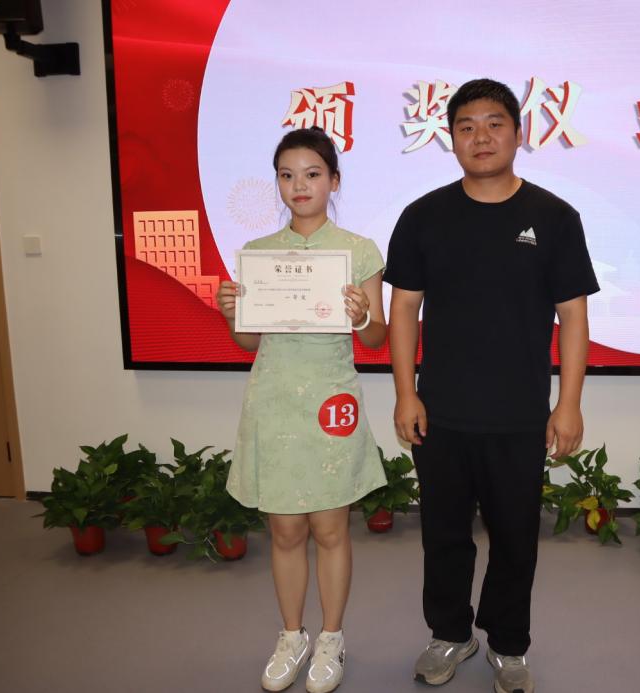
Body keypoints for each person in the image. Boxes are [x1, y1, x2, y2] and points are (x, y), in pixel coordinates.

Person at [384, 78, 599, 693]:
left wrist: (569, 404)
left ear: (518, 133)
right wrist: (406, 393)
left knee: (515, 539)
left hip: (519, 414)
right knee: (444, 537)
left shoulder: (554, 218)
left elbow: (573, 317)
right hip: (441, 412)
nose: (481, 137)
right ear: (450, 138)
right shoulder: (423, 216)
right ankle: (450, 633)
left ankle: (508, 643)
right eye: (466, 126)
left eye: (494, 123)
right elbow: (404, 310)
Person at [216, 126, 387, 693]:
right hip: (274, 402)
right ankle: (292, 636)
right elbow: (249, 342)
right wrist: (232, 313)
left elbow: (377, 338)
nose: (299, 185)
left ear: (334, 181)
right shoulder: (259, 254)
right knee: (286, 530)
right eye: (287, 175)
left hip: (330, 401)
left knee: (331, 529)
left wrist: (362, 314)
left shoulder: (358, 250)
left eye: (312, 174)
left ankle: (332, 638)